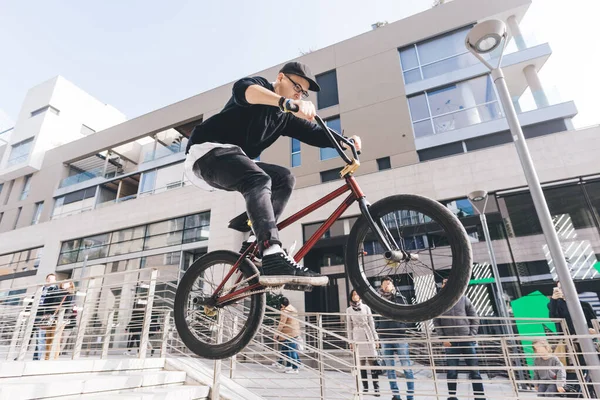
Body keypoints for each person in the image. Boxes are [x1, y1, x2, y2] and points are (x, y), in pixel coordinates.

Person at [184, 61, 361, 288]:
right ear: (280, 78)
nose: (299, 95)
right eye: (297, 87)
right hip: (207, 154)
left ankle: (256, 241)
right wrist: (285, 102)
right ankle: (271, 251)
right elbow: (245, 92)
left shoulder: (282, 118)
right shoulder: (258, 87)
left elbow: (316, 134)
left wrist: (346, 142)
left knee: (284, 178)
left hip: (233, 162)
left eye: (303, 93)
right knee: (259, 179)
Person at [433, 278, 486, 400]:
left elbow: (474, 317)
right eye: (444, 283)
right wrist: (443, 339)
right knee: (452, 372)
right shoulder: (439, 302)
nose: (446, 285)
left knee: (474, 371)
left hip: (467, 340)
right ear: (442, 286)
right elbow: (436, 321)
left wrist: (471, 335)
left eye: (448, 282)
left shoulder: (463, 298)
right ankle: (452, 396)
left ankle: (479, 397)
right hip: (450, 343)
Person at [376, 277, 414, 400]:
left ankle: (410, 396)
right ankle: (396, 395)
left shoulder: (400, 298)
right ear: (381, 287)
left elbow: (408, 314)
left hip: (399, 336)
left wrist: (402, 326)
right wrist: (378, 329)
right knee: (390, 369)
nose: (386, 286)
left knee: (406, 367)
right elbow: (374, 316)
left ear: (393, 286)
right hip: (385, 337)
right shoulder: (377, 300)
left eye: (388, 284)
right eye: (384, 284)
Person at [346, 289, 380, 396]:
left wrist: (376, 339)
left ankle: (376, 387)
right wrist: (350, 341)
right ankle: (365, 387)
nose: (355, 296)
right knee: (361, 364)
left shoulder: (366, 307)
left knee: (372, 362)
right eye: (353, 295)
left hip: (367, 335)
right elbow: (349, 326)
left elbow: (372, 323)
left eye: (357, 294)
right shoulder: (349, 310)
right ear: (351, 297)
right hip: (357, 336)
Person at [33, 273, 60, 361]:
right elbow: (34, 299)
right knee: (38, 337)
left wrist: (49, 313)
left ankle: (40, 358)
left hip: (46, 316)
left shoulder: (56, 290)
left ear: (55, 281)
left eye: (52, 279)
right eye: (48, 279)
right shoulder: (41, 289)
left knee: (43, 337)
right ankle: (37, 357)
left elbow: (55, 303)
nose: (50, 280)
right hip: (37, 313)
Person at [274, 297, 301, 374]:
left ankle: (295, 368)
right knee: (288, 348)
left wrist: (276, 333)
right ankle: (289, 365)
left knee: (291, 351)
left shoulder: (285, 311)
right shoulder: (292, 308)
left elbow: (282, 323)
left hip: (288, 333)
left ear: (282, 304)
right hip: (294, 332)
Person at [51, 281, 76, 359]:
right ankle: (51, 356)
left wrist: (64, 318)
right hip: (54, 317)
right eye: (63, 283)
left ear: (70, 285)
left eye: (67, 283)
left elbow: (69, 307)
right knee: (52, 337)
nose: (64, 284)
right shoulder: (58, 292)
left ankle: (55, 357)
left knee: (57, 338)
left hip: (61, 318)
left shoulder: (69, 295)